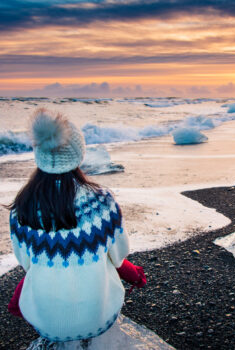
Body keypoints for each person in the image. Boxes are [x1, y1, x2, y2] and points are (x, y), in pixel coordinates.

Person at [7, 108, 145, 343]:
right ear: (78, 155)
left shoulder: (22, 207)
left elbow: (27, 264)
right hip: (99, 317)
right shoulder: (101, 201)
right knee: (105, 259)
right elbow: (119, 255)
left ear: (39, 154)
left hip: (45, 322)